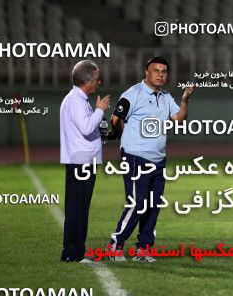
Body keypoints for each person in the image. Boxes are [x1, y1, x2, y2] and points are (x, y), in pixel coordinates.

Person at [105, 57, 194, 262]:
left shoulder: (165, 97)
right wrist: (123, 137)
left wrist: (185, 99)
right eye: (156, 70)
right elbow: (115, 119)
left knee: (153, 205)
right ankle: (114, 245)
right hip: (136, 157)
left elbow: (179, 119)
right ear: (147, 72)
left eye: (164, 71)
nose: (161, 74)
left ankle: (143, 249)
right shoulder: (133, 94)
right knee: (138, 203)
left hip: (158, 159)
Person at [60, 59, 111, 263]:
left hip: (83, 159)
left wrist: (103, 134)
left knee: (80, 207)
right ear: (88, 81)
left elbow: (89, 130)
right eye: (97, 79)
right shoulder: (75, 101)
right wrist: (100, 109)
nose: (99, 83)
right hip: (81, 161)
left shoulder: (78, 100)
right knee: (77, 208)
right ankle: (72, 252)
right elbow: (86, 128)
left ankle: (76, 250)